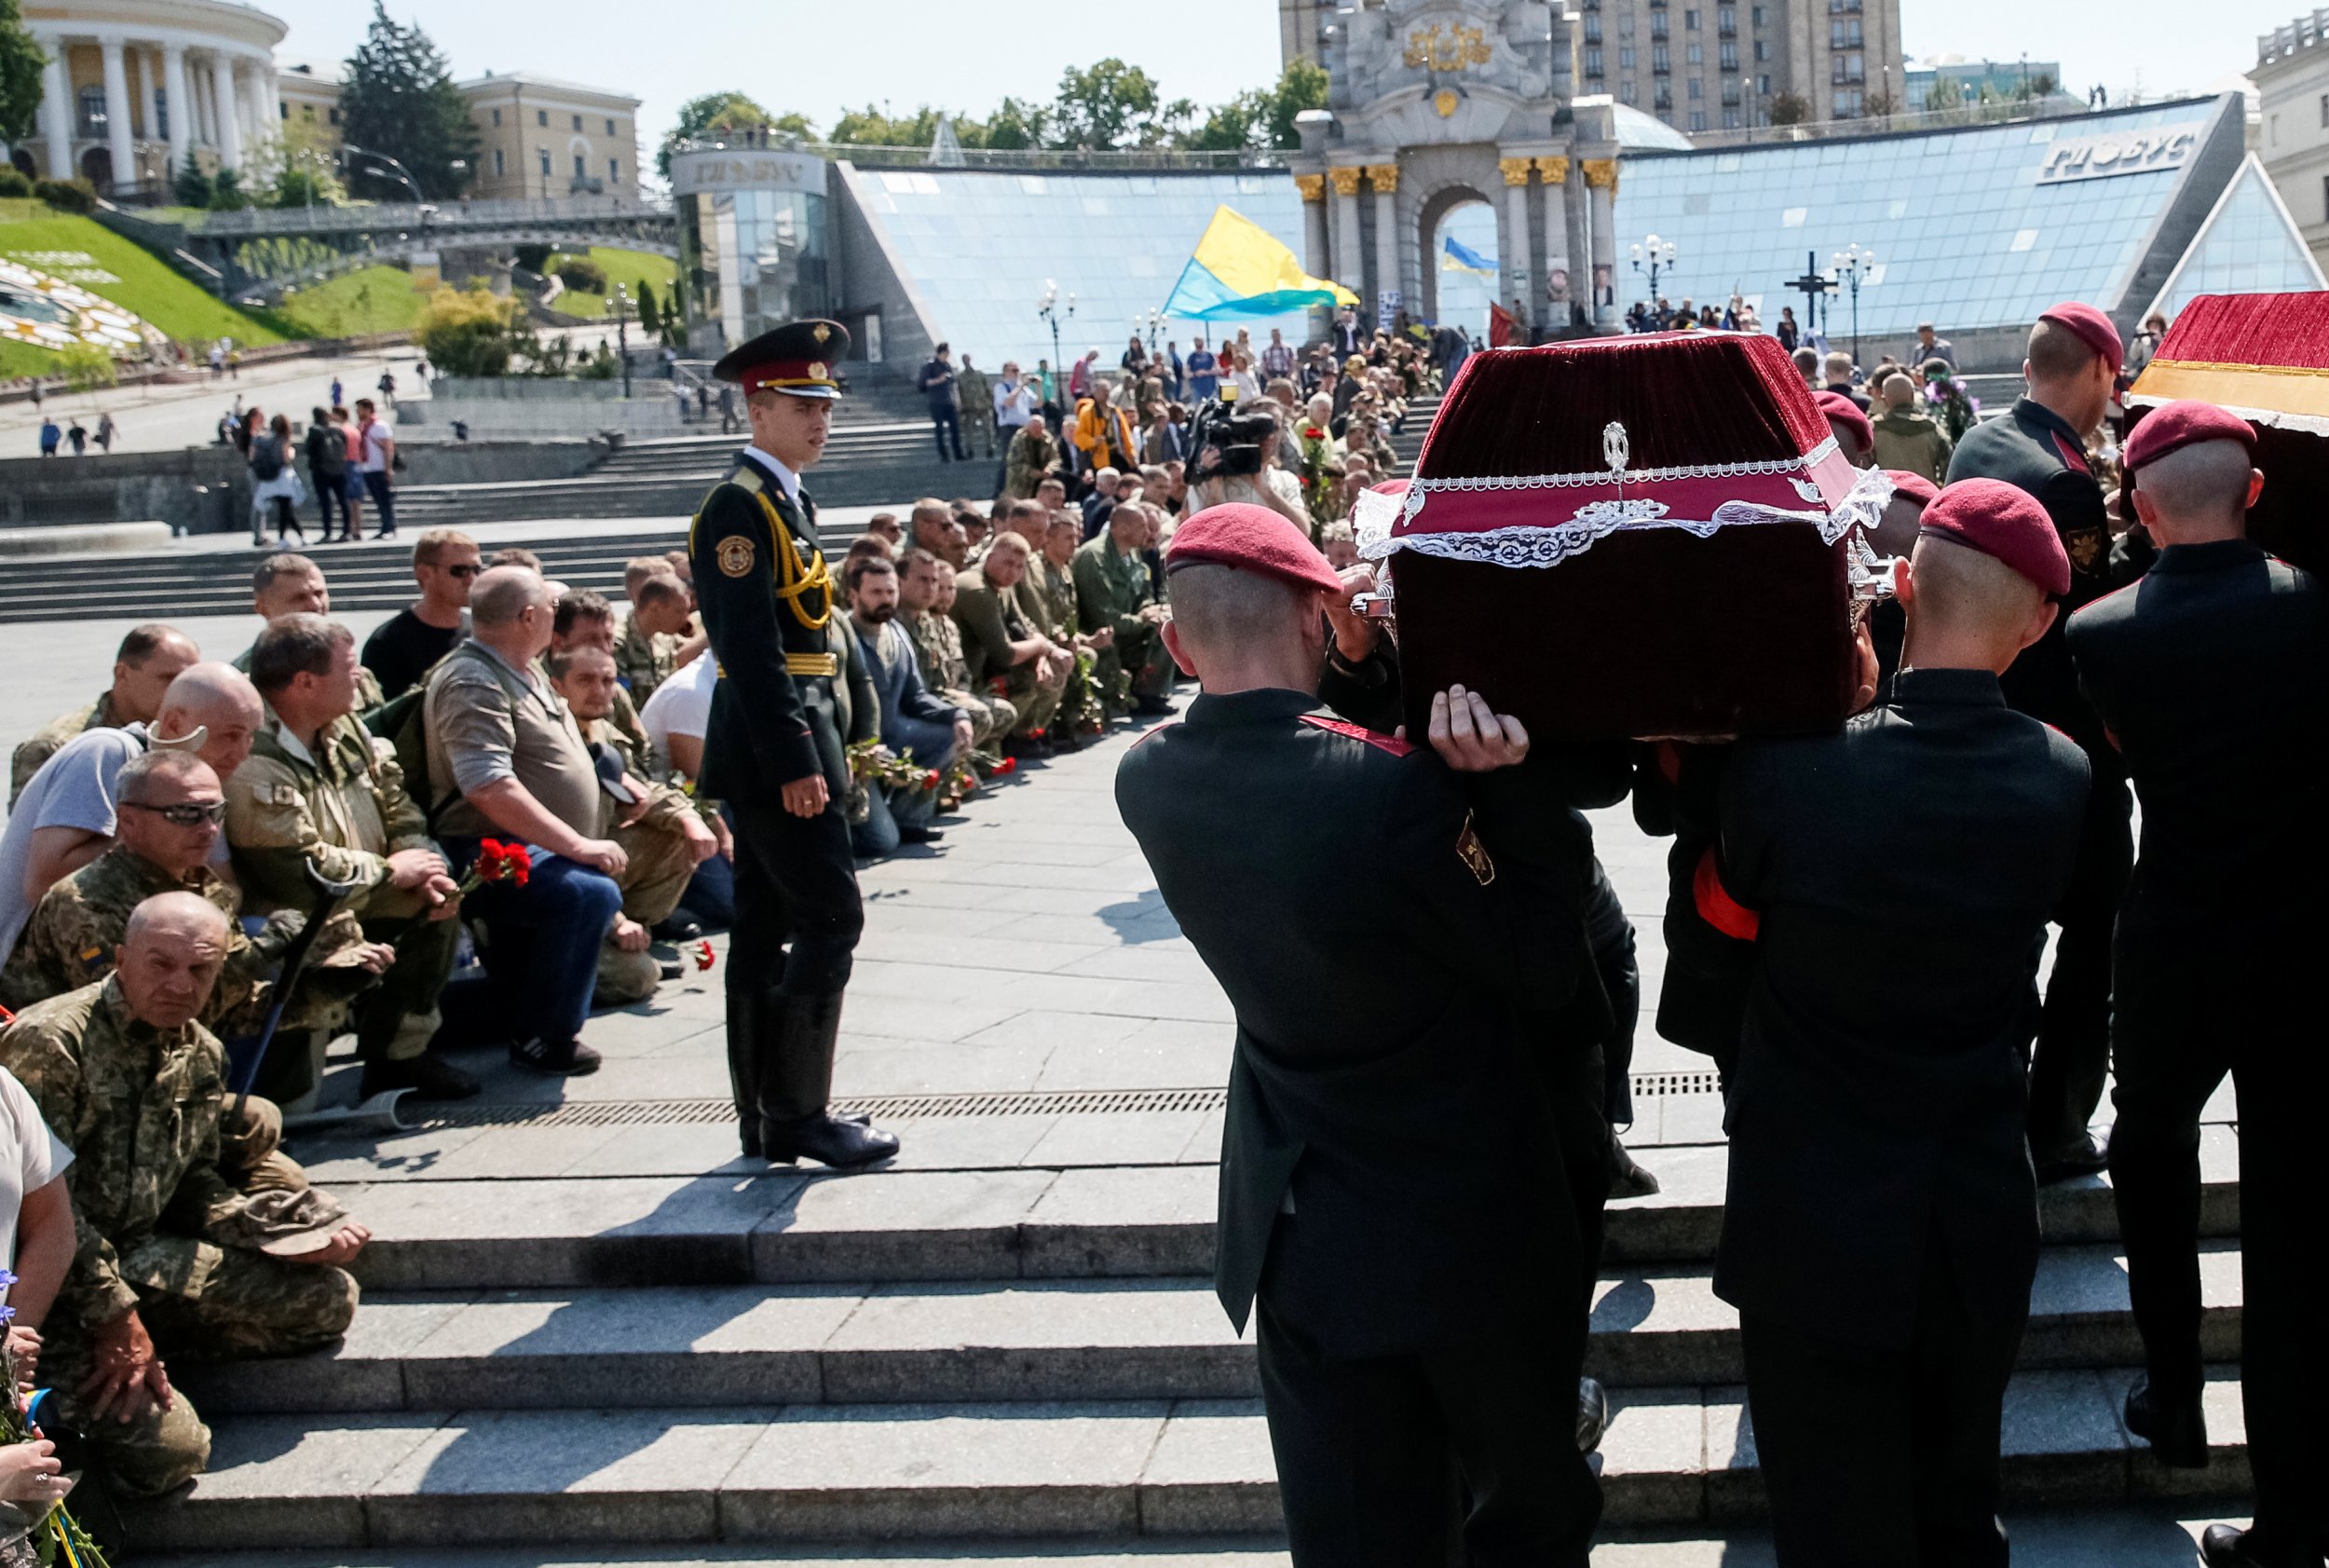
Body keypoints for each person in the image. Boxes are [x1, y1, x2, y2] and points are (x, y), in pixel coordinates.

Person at [1116, 503, 1605, 1567]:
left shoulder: (1143, 777)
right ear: (1317, 616)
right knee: (1528, 1511)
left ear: (1174, 644)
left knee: (1355, 1532)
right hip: (1466, 1222)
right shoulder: (1392, 792)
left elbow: (1292, 762)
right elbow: (1543, 968)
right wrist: (1513, 799)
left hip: (1301, 1226)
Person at [1681, 479, 2087, 1565]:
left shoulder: (1789, 774)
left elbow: (1709, 964)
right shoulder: (2063, 778)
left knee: (1827, 1518)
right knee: (1955, 1506)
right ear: (2040, 620)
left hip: (1809, 1211)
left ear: (1901, 584)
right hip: (1970, 1214)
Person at [2065, 404, 2329, 1568]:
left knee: (2150, 1149)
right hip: (2303, 947)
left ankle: (2173, 1398)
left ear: (2141, 507)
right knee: (2289, 1231)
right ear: (2256, 493)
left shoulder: (2103, 633)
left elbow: (2116, 761)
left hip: (2171, 937)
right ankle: (2293, 1515)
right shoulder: (2317, 610)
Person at [0, 892, 368, 1501]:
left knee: (327, 1301)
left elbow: (194, 1186)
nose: (180, 983)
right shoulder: (53, 1041)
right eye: (160, 963)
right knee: (173, 1454)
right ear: (120, 957)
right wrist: (115, 1320)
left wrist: (274, 1229)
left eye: (200, 968)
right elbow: (52, 1213)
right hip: (56, 1291)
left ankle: (145, 1356)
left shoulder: (202, 1053)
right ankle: (91, 1398)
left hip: (145, 1259)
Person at [690, 320, 899, 1170]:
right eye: (802, 404)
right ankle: (798, 1114)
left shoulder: (781, 498)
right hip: (775, 735)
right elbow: (749, 649)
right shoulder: (740, 507)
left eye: (826, 404)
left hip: (791, 727)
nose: (821, 419)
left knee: (768, 918)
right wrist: (795, 759)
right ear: (759, 405)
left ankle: (765, 1113)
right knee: (830, 914)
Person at [1944, 303, 2129, 1183]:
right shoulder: (2066, 477)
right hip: (2061, 747)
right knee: (2093, 937)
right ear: (2097, 368)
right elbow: (2082, 624)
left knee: (1997, 941)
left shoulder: (1978, 443)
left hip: (1976, 723)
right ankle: (2055, 1123)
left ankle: (1984, 1104)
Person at [228, 615, 474, 1102]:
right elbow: (295, 869)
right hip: (295, 913)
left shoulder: (343, 729)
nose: (359, 677)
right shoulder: (254, 755)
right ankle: (279, 1093)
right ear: (305, 683)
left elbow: (396, 800)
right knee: (295, 1104)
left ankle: (399, 1056)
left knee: (435, 904)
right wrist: (390, 871)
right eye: (348, 668)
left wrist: (418, 861)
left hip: (360, 889)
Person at [422, 566, 623, 1077]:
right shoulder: (472, 679)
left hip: (531, 841)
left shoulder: (522, 668)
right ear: (528, 616)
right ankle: (543, 1037)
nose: (557, 617)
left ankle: (521, 1014)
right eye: (551, 610)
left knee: (577, 900)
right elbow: (487, 785)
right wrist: (576, 843)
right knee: (586, 894)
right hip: (485, 845)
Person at [0, 662, 263, 965]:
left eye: (250, 737)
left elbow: (222, 886)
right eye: (230, 736)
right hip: (36, 967)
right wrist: (153, 829)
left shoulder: (199, 786)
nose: (243, 753)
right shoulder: (109, 752)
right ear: (175, 724)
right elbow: (42, 883)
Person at [541, 643, 719, 1000]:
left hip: (597, 864)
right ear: (557, 686)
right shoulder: (549, 740)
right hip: (560, 876)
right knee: (638, 978)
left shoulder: (602, 730)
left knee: (680, 833)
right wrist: (615, 922)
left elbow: (643, 786)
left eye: (607, 680)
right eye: (586, 680)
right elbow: (559, 849)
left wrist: (688, 817)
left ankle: (627, 934)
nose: (600, 690)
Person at [844, 554, 968, 852]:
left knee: (952, 734)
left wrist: (958, 715)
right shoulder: (842, 638)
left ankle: (907, 818)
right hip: (858, 752)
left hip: (896, 734)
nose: (885, 600)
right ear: (854, 595)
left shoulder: (897, 633)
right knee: (881, 842)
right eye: (875, 593)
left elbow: (916, 696)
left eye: (890, 592)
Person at [11, 625, 199, 805]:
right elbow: (31, 831)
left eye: (188, 680)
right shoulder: (58, 746)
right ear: (122, 673)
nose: (180, 690)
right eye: (167, 678)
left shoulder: (198, 736)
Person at [953, 531, 1072, 757]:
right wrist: (1039, 648)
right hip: (965, 678)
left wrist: (1045, 654)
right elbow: (1005, 654)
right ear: (989, 557)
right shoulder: (977, 590)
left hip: (984, 669)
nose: (1013, 572)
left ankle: (1025, 735)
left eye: (1020, 567)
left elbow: (1023, 625)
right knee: (1027, 676)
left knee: (1054, 666)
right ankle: (996, 745)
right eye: (1008, 563)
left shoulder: (1001, 586)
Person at [1073, 502, 1175, 718]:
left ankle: (1149, 693)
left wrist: (1151, 612)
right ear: (1121, 529)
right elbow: (1102, 615)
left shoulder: (1132, 555)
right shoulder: (1095, 557)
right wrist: (1142, 621)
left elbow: (1143, 595)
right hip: (1103, 634)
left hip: (1129, 628)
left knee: (1167, 625)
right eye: (1141, 527)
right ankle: (1125, 694)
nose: (1147, 533)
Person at [362, 530, 481, 701]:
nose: (471, 579)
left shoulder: (481, 632)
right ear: (425, 573)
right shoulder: (387, 643)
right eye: (460, 571)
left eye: (476, 569)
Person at [1869, 371, 1951, 484]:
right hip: (1925, 496)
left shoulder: (1872, 429)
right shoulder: (1932, 429)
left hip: (1887, 496)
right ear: (1912, 396)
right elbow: (1948, 470)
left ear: (1884, 399)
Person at [248, 413, 306, 546]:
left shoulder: (260, 439)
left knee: (283, 507)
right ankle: (289, 537)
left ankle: (287, 536)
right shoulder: (283, 439)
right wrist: (292, 454)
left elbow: (251, 458)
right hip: (282, 477)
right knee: (286, 507)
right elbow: (286, 459)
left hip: (267, 478)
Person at [304, 404, 349, 542]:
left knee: (325, 503)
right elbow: (345, 445)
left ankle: (328, 533)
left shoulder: (314, 431)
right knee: (343, 501)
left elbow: (308, 449)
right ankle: (346, 531)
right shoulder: (338, 429)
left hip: (321, 471)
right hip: (339, 469)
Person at [918, 342, 966, 462]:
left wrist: (957, 400)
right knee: (939, 429)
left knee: (955, 428)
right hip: (936, 402)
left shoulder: (947, 366)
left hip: (949, 401)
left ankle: (958, 453)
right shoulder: (930, 366)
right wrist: (939, 380)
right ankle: (943, 455)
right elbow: (924, 383)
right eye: (946, 353)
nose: (947, 356)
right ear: (941, 352)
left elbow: (953, 385)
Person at [355, 397, 396, 539]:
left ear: (367, 409)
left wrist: (388, 468)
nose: (357, 412)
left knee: (384, 499)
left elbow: (388, 448)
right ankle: (384, 526)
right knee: (377, 500)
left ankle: (390, 527)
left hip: (379, 467)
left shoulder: (380, 425)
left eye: (359, 409)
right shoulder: (361, 426)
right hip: (367, 468)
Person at [1003, 416, 1058, 499]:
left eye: (1040, 428)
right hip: (1023, 480)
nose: (1037, 431)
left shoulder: (1048, 439)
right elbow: (1014, 464)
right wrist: (1031, 472)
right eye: (1034, 428)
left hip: (1043, 476)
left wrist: (1049, 469)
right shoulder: (1019, 440)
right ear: (1028, 428)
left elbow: (1055, 458)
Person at [956, 353, 995, 460]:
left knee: (988, 429)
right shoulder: (961, 377)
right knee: (969, 431)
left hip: (983, 406)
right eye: (964, 360)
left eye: (968, 359)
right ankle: (970, 451)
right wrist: (960, 406)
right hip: (969, 407)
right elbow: (959, 392)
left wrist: (991, 401)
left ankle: (990, 449)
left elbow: (987, 388)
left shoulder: (979, 374)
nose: (967, 361)